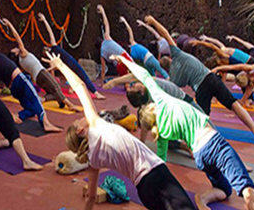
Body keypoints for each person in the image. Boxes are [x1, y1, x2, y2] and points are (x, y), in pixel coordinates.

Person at [43, 52, 195, 210]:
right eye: (78, 121)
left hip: (143, 189)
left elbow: (91, 197)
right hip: (156, 175)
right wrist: (60, 65)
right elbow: (80, 86)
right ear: (81, 130)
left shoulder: (93, 160)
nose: (82, 117)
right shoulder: (95, 125)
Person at [115, 55, 254, 210]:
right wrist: (124, 59)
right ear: (150, 107)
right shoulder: (161, 99)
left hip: (201, 156)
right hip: (214, 144)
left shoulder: (161, 134)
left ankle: (201, 199)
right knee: (247, 188)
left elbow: (160, 162)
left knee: (225, 190)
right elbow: (143, 74)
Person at [145, 15, 254, 141]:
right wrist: (153, 21)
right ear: (170, 58)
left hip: (201, 89)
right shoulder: (177, 54)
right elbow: (165, 33)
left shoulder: (173, 78)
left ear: (165, 69)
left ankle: (212, 141)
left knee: (202, 120)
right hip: (211, 78)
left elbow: (168, 87)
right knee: (234, 104)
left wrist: (149, 81)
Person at [0, 14, 64, 131]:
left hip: (14, 89)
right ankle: (46, 124)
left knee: (30, 108)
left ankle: (18, 116)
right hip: (20, 80)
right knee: (36, 99)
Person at [2, 17, 82, 113]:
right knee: (55, 87)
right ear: (15, 54)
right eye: (14, 50)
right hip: (40, 74)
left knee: (52, 90)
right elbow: (17, 37)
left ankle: (46, 100)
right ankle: (70, 105)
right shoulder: (23, 55)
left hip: (38, 77)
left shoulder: (20, 64)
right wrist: (9, 24)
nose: (15, 48)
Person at [37, 13, 105, 100]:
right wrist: (44, 20)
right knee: (83, 76)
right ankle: (96, 93)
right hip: (70, 64)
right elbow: (53, 70)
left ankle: (76, 88)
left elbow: (53, 70)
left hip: (69, 65)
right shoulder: (53, 53)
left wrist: (44, 20)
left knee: (79, 77)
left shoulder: (53, 50)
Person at [97, 4, 133, 82]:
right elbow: (106, 23)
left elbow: (103, 71)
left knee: (126, 79)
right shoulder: (107, 38)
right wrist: (102, 11)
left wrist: (102, 84)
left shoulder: (102, 54)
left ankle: (127, 84)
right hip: (124, 58)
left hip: (119, 66)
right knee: (135, 74)